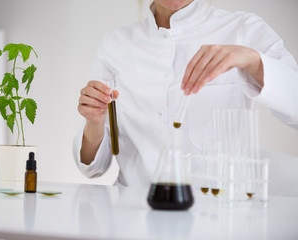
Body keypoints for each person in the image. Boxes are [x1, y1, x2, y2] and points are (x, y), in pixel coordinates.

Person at [73, 0, 298, 187]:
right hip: (132, 215)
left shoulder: (244, 29)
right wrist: (93, 122)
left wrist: (252, 60)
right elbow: (94, 167)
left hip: (217, 216)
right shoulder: (116, 44)